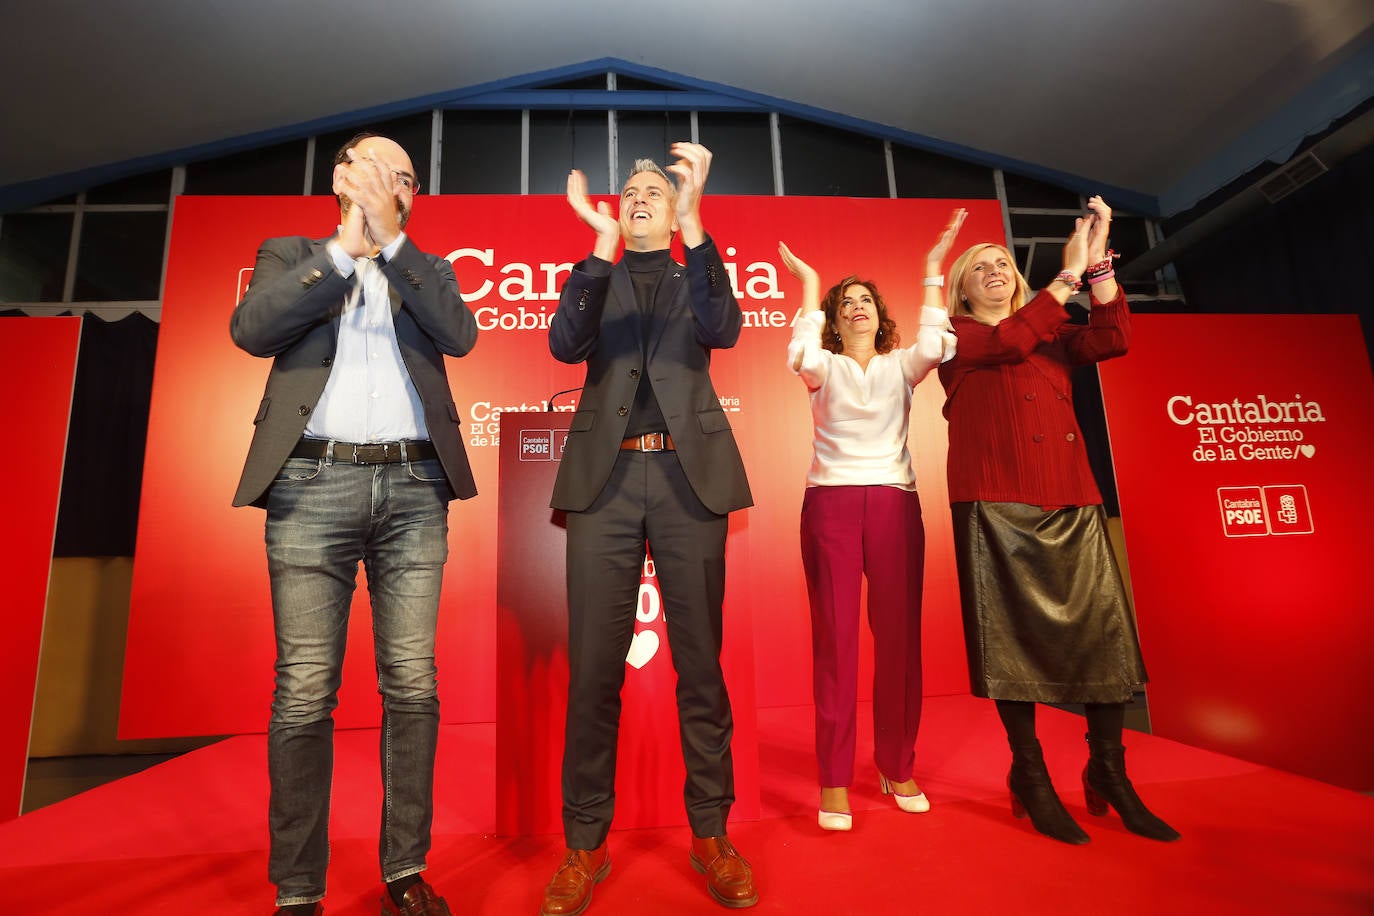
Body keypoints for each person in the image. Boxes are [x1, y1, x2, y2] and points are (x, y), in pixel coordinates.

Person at [231, 132, 478, 915]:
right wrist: (345, 247)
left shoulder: (427, 268)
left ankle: (404, 869)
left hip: (415, 486)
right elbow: (253, 329)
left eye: (405, 178)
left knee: (412, 685)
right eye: (378, 170)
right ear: (341, 177)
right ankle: (299, 889)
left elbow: (461, 334)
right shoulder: (288, 251)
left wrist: (391, 242)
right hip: (311, 482)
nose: (391, 184)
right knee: (305, 691)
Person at [540, 144, 756, 915]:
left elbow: (724, 329)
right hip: (604, 482)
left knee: (701, 668)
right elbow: (565, 345)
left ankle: (712, 835)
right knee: (595, 672)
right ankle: (584, 846)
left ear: (671, 211)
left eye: (653, 192)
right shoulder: (596, 274)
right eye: (628, 191)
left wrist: (697, 226)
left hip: (687, 479)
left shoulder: (693, 269)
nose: (638, 197)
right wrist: (597, 247)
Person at [939, 196, 1179, 845]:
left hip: (1071, 498)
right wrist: (1065, 276)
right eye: (979, 265)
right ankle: (1031, 774)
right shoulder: (955, 336)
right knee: (1010, 647)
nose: (993, 268)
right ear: (962, 286)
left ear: (1017, 279)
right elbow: (1006, 341)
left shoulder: (1051, 330)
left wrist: (1098, 269)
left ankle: (1109, 773)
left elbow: (1113, 336)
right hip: (995, 503)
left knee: (1105, 639)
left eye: (1001, 261)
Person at [777, 209, 963, 832]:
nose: (857, 307)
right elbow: (799, 351)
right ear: (834, 320)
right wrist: (808, 286)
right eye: (845, 302)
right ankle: (834, 779)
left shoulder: (901, 364)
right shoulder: (821, 367)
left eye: (866, 301)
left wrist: (933, 273)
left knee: (899, 641)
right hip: (829, 505)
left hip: (892, 502)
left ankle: (896, 763)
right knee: (836, 642)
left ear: (882, 317)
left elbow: (939, 345)